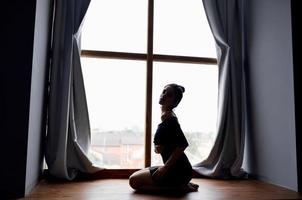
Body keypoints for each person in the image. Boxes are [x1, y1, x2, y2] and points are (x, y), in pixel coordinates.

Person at [129, 83, 199, 192]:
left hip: (179, 170)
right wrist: (157, 147)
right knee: (136, 175)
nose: (164, 95)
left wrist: (164, 169)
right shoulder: (165, 116)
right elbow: (167, 141)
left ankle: (180, 186)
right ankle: (182, 183)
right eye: (164, 91)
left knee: (133, 181)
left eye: (169, 95)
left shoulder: (170, 118)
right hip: (176, 168)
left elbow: (182, 145)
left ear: (174, 102)